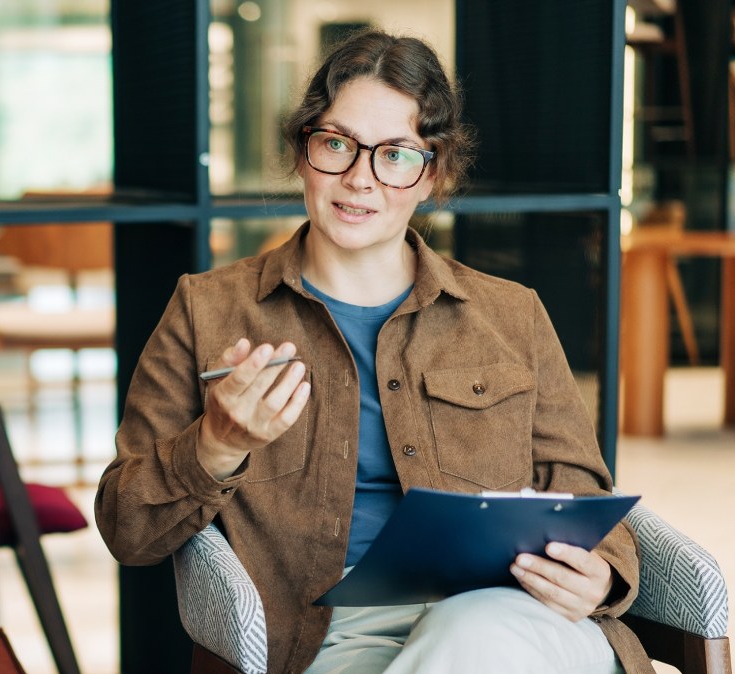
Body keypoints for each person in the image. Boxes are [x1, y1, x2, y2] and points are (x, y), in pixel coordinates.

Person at [96, 29, 649, 674]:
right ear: (302, 155)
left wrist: (601, 577)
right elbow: (127, 530)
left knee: (475, 628)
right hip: (328, 635)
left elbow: (582, 493)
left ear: (432, 174)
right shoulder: (207, 310)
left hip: (517, 616)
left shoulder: (511, 313)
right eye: (337, 144)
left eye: (395, 155)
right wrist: (215, 444)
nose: (360, 179)